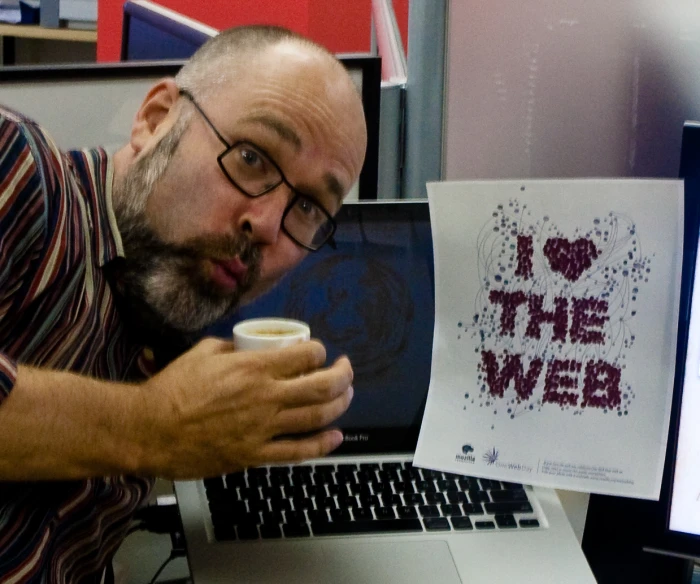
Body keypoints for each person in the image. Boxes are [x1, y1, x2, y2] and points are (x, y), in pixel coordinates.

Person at [0, 25, 367, 582]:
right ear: (156, 119)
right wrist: (150, 426)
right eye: (250, 157)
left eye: (310, 207)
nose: (266, 226)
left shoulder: (160, 326)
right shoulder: (22, 171)